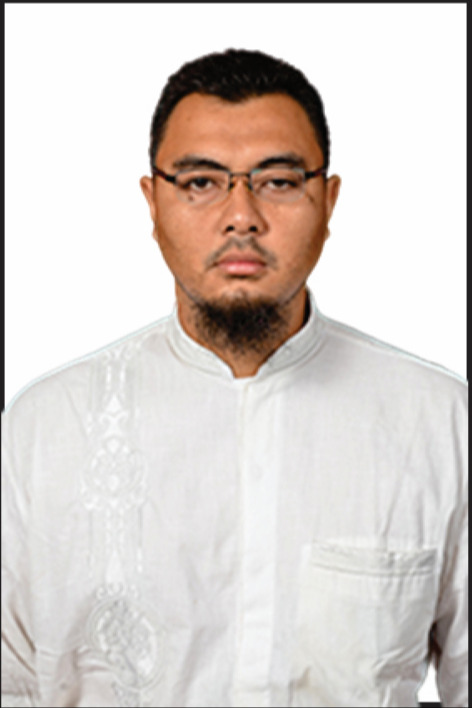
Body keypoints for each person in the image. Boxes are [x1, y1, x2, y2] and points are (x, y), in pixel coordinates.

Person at [1, 48, 467, 708]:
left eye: (278, 181)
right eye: (201, 182)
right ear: (152, 201)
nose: (241, 215)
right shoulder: (45, 430)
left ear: (329, 200)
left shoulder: (438, 423)